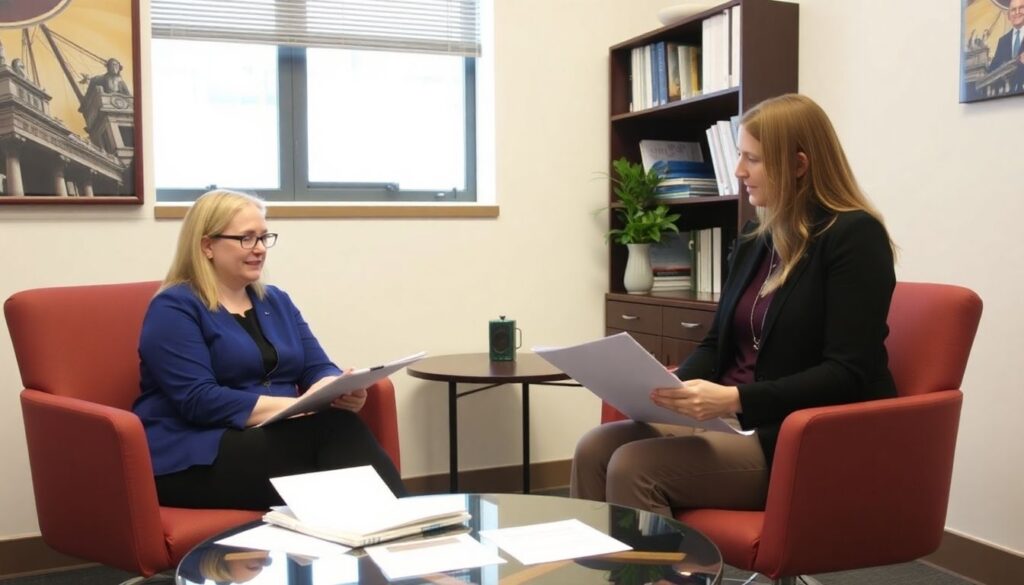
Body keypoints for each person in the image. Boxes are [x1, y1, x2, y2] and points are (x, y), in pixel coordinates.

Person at [571, 94, 897, 517]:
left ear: (799, 165)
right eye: (741, 156)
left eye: (753, 159)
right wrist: (667, 391)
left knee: (636, 467)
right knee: (595, 447)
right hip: (734, 423)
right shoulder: (756, 237)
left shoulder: (854, 236)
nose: (739, 171)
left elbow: (848, 373)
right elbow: (714, 344)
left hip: (795, 436)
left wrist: (735, 399)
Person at [133, 189, 405, 510]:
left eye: (264, 237)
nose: (260, 249)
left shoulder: (275, 300)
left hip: (270, 441)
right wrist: (291, 406)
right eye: (247, 239)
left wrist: (336, 389)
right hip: (195, 454)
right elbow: (199, 400)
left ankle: (389, 537)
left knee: (338, 446)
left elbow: (316, 367)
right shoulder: (174, 307)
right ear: (207, 245)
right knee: (335, 438)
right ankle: (410, 531)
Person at [988, 0, 1024, 91]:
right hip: (1006, 97)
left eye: (1021, 8)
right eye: (1013, 10)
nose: (1017, 12)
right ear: (1008, 16)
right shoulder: (1002, 41)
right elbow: (992, 71)